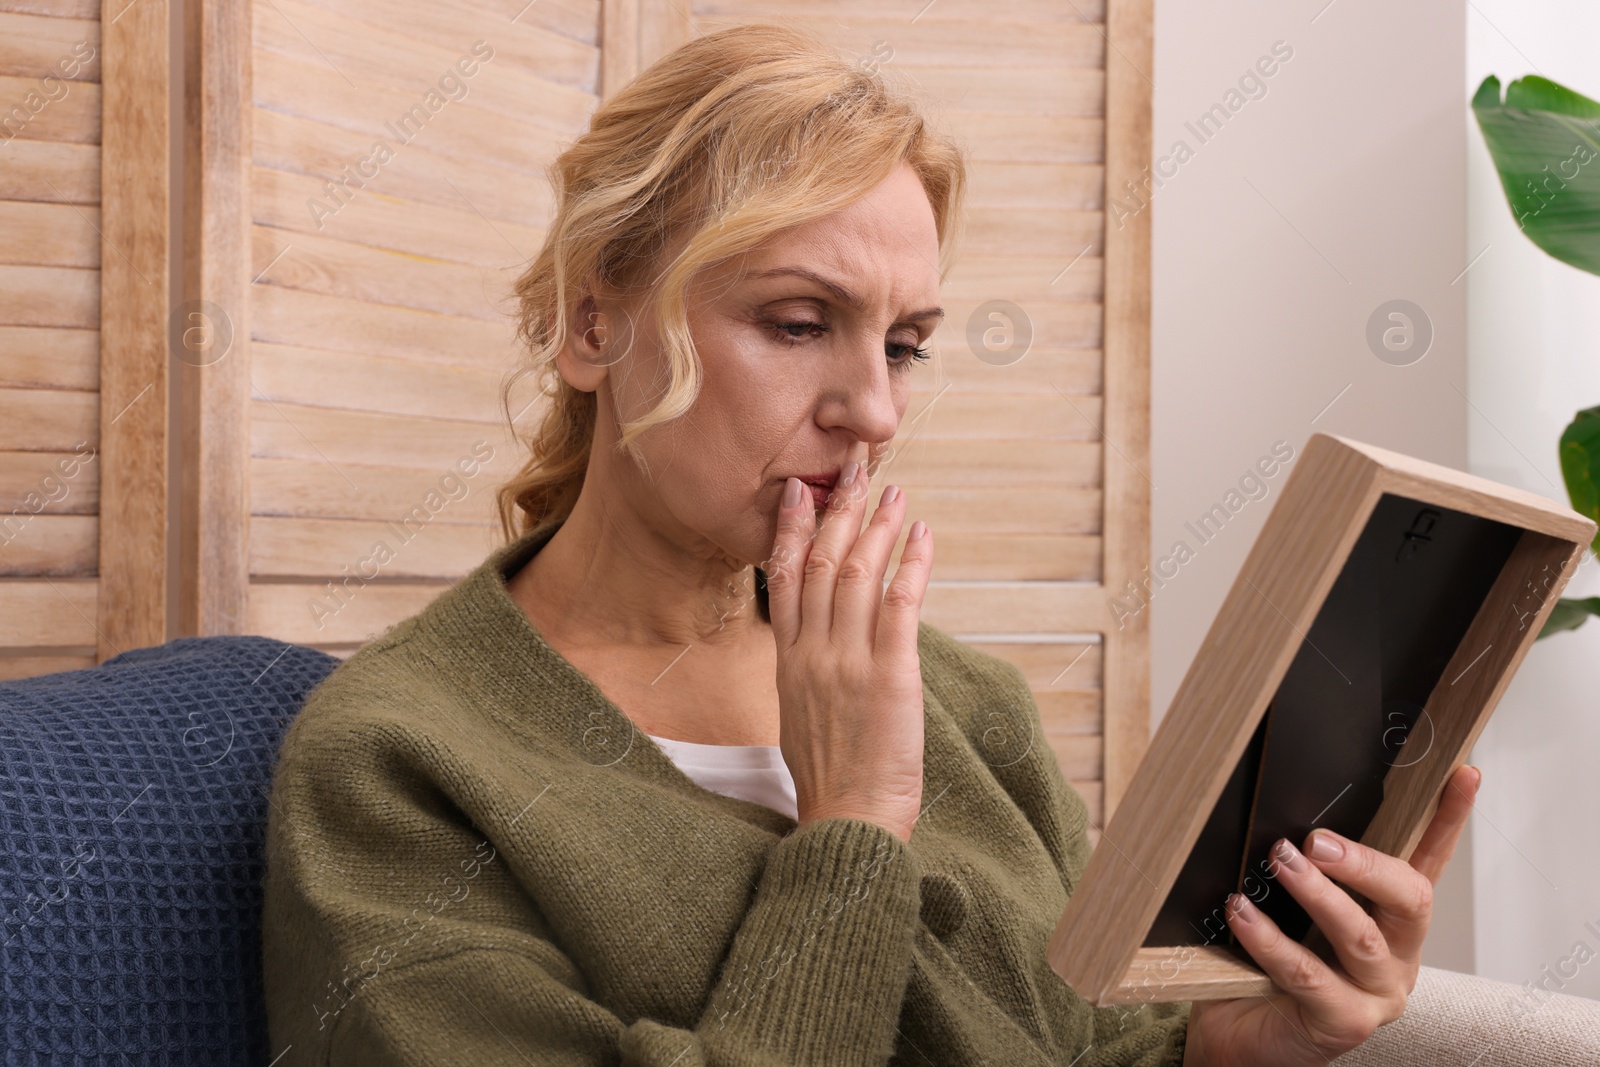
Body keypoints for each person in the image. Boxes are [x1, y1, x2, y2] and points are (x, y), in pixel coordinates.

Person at [261, 22, 1477, 1066]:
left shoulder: (964, 703)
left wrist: (1224, 1044)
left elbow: (1075, 1038)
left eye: (901, 344)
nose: (875, 412)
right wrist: (849, 826)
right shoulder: (394, 765)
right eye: (798, 323)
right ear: (592, 323)